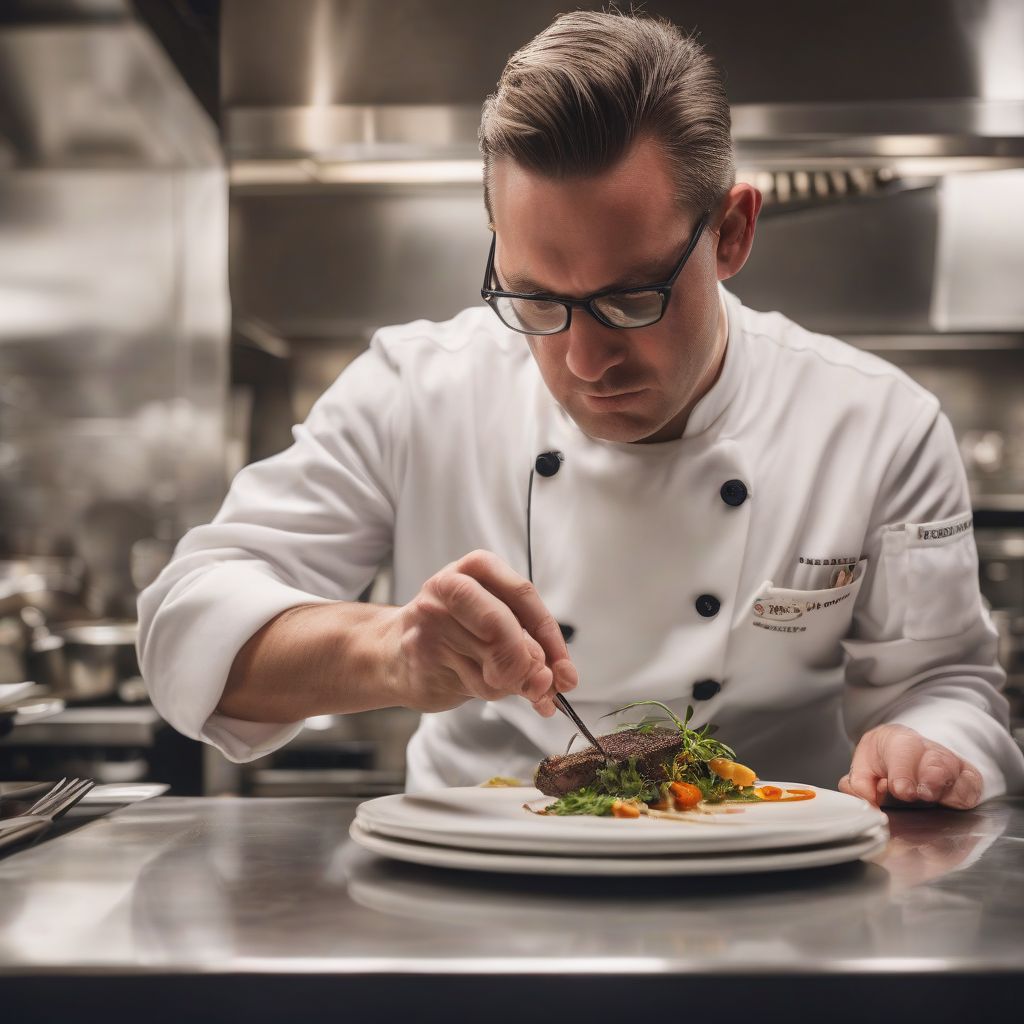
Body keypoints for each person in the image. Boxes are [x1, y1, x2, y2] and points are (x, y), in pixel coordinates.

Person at [138, 10, 1024, 806]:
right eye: (535, 300)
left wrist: (926, 744)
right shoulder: (414, 389)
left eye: (631, 298)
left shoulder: (878, 425)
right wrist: (394, 652)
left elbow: (946, 684)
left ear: (732, 232)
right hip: (474, 907)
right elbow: (187, 631)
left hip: (776, 903)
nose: (584, 360)